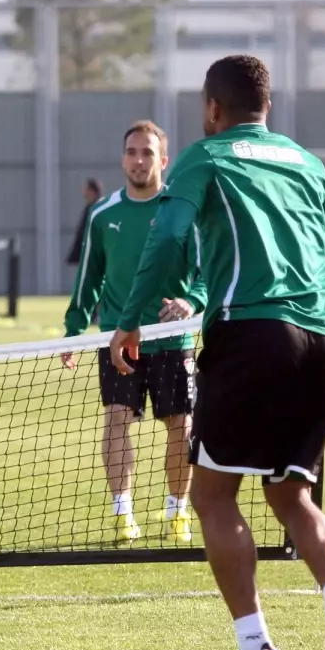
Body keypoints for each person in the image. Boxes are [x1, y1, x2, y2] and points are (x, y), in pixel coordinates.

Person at [109, 55, 325, 650]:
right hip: (323, 345)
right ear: (268, 108)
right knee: (289, 494)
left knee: (212, 495)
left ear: (211, 109)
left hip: (251, 339)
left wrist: (132, 317)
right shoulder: (306, 161)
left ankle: (254, 645)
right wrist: (306, 309)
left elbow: (167, 238)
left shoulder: (204, 155)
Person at [61, 120, 206, 546]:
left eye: (147, 153)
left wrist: (190, 303)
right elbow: (88, 279)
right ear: (122, 158)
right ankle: (123, 512)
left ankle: (177, 512)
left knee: (181, 426)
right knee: (117, 419)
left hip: (173, 340)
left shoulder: (182, 212)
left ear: (163, 160)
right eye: (131, 152)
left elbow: (205, 274)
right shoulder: (103, 215)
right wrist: (72, 331)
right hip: (119, 342)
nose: (138, 160)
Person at [66, 178, 103, 266]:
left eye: (86, 190)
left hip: (93, 256)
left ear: (92, 191)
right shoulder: (90, 208)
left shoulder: (97, 209)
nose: (84, 193)